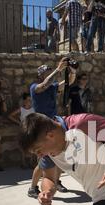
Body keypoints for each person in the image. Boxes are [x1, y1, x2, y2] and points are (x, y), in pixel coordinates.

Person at [28, 58, 76, 197]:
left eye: (50, 71)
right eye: (47, 71)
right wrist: (58, 69)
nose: (50, 73)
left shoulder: (53, 87)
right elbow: (44, 84)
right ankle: (32, 187)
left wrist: (73, 71)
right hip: (42, 128)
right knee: (45, 159)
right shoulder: (35, 88)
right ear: (40, 75)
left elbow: (68, 83)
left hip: (54, 125)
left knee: (59, 155)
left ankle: (56, 181)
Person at [8, 93, 36, 169]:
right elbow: (10, 116)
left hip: (32, 129)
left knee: (32, 145)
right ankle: (23, 162)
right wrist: (19, 122)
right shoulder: (21, 109)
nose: (29, 101)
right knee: (23, 146)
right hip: (24, 129)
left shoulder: (33, 109)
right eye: (27, 100)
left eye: (30, 100)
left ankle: (31, 162)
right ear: (24, 101)